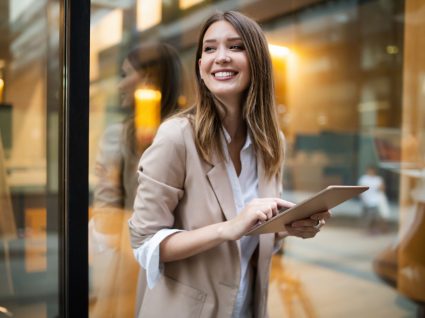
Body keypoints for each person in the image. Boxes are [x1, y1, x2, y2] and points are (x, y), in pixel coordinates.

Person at [128, 11, 330, 318]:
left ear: (258, 62)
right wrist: (228, 228)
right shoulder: (177, 137)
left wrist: (288, 228)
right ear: (200, 66)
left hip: (246, 307)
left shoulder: (271, 142)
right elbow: (144, 244)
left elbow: (251, 238)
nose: (220, 57)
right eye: (210, 49)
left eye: (235, 47)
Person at [89, 42, 182, 318]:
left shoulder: (119, 137)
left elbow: (106, 220)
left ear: (148, 79)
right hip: (186, 265)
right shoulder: (193, 133)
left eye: (124, 74)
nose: (119, 85)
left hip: (135, 262)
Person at [358, 165, 388, 234]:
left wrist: (381, 187)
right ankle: (370, 229)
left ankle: (376, 229)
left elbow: (382, 189)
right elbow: (360, 190)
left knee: (377, 216)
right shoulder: (363, 179)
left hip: (376, 200)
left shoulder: (378, 179)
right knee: (370, 216)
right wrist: (363, 199)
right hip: (367, 200)